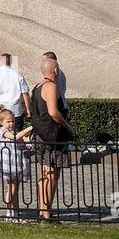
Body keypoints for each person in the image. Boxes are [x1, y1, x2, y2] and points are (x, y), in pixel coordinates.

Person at [30, 56, 75, 222]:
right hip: (52, 136)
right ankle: (46, 212)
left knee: (46, 173)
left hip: (41, 135)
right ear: (55, 71)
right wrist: (68, 126)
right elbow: (53, 112)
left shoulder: (37, 86)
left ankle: (44, 209)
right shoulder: (50, 86)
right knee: (51, 174)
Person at [0, 109, 34, 220]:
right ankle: (9, 212)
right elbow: (15, 137)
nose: (11, 124)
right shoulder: (3, 131)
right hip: (9, 162)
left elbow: (22, 139)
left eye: (13, 121)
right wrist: (30, 128)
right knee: (11, 187)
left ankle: (15, 210)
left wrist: (28, 139)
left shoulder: (13, 132)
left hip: (15, 161)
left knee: (15, 186)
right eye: (8, 121)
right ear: (1, 122)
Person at [0, 53, 31, 131]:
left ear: (0, 61)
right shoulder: (18, 75)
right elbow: (25, 94)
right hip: (15, 110)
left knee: (0, 136)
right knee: (17, 137)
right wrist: (28, 109)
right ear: (11, 61)